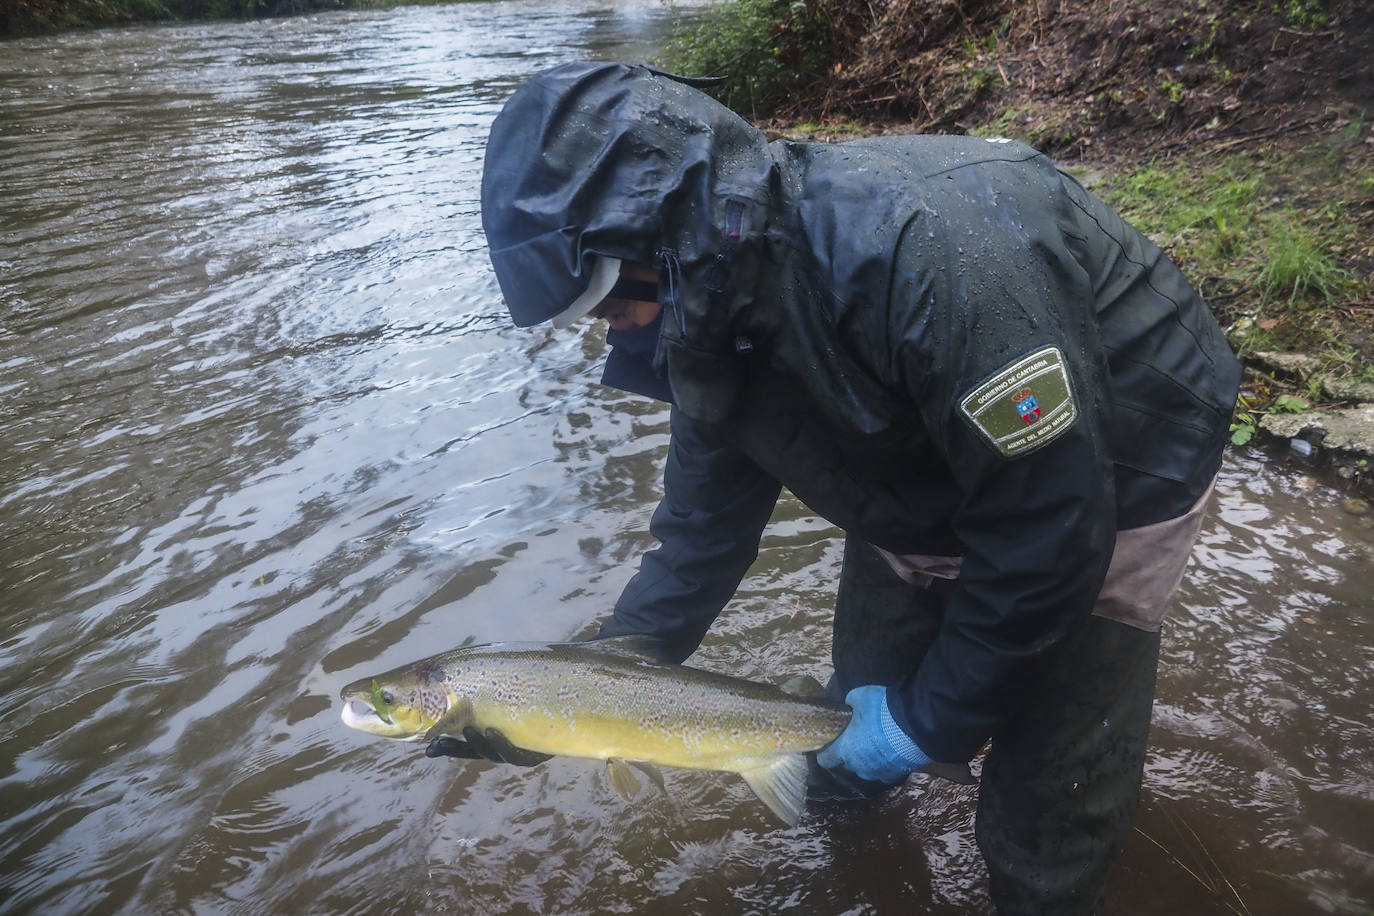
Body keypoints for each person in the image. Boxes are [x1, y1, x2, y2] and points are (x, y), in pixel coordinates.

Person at [451, 61, 1241, 914]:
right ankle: (847, 859)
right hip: (925, 456)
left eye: (605, 302)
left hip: (1120, 463)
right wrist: (580, 690)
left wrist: (924, 723)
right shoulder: (700, 297)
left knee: (1045, 796)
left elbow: (1048, 536)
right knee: (852, 704)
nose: (609, 330)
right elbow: (700, 532)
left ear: (656, 240)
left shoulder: (931, 256)